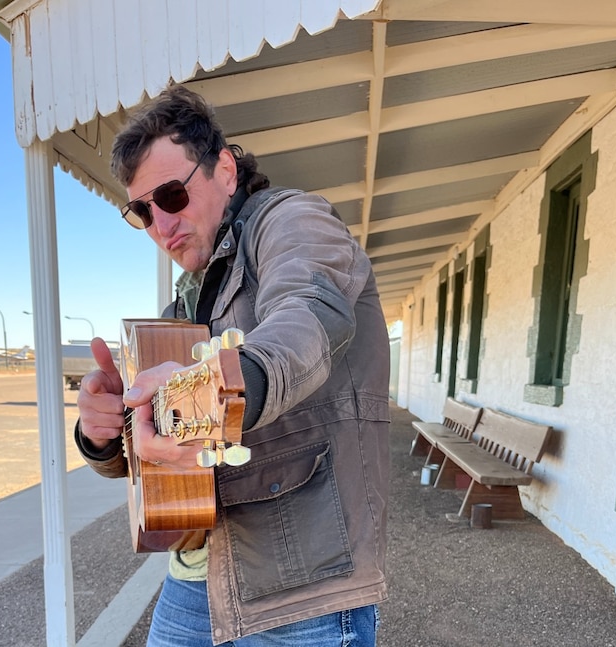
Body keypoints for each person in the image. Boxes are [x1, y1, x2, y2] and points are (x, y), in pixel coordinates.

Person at [74, 85, 390, 646]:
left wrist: (212, 394)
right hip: (197, 573)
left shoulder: (294, 221)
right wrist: (107, 432)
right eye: (141, 212)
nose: (160, 225)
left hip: (301, 585)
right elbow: (164, 450)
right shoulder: (186, 300)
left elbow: (308, 314)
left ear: (223, 168)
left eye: (171, 196)